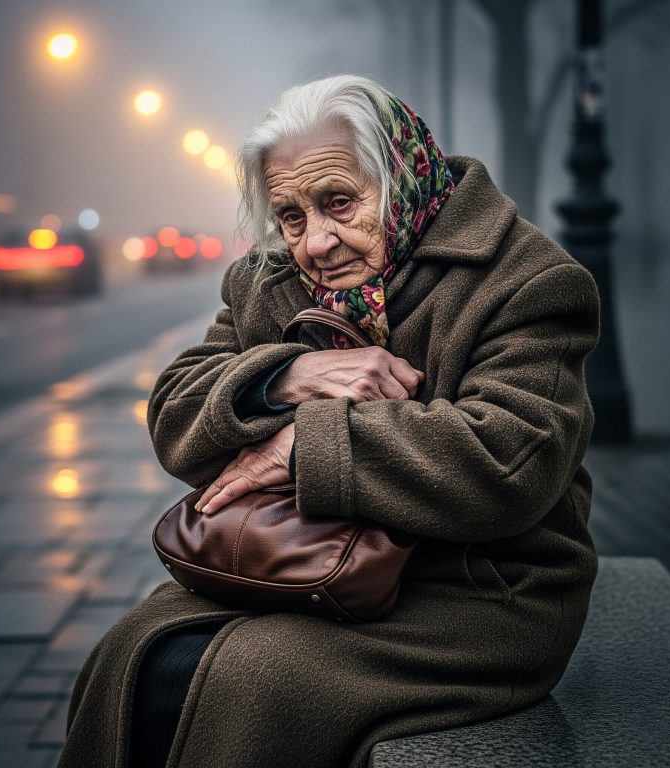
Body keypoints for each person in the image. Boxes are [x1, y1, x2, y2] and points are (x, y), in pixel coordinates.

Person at [57, 75, 600, 768]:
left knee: (251, 681)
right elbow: (174, 410)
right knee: (131, 655)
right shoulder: (269, 278)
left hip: (473, 591)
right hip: (296, 560)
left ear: (399, 177)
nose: (315, 242)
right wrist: (286, 378)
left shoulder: (525, 279)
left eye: (339, 203)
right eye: (290, 215)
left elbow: (510, 462)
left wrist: (299, 448)